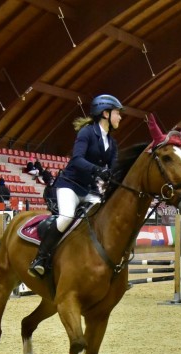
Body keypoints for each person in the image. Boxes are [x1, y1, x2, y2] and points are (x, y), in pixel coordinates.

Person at [28, 94, 123, 278]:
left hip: (90, 191)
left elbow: (113, 169)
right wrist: (98, 170)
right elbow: (77, 159)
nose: (120, 117)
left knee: (103, 221)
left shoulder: (112, 143)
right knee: (66, 217)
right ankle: (40, 258)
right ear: (105, 113)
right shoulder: (86, 133)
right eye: (117, 113)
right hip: (70, 186)